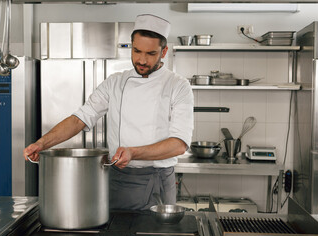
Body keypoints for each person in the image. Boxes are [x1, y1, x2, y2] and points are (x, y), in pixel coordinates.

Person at [23, 14, 194, 210]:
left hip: (156, 181)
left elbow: (179, 144)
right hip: (117, 178)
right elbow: (79, 119)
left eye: (151, 54)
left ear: (164, 52)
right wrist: (41, 143)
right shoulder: (115, 82)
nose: (142, 60)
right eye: (137, 51)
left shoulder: (178, 86)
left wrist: (133, 152)